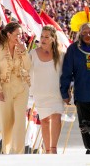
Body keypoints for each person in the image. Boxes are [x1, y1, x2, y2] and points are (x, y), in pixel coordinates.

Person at [60, 22, 90, 154]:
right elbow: (66, 72)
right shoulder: (73, 49)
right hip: (82, 93)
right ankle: (89, 148)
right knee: (85, 124)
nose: (87, 35)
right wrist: (65, 92)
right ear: (80, 34)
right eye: (84, 33)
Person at [0, 22, 31, 154]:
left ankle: (19, 152)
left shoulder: (22, 47)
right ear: (8, 34)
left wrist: (24, 51)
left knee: (20, 120)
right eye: (17, 34)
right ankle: (6, 151)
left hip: (21, 87)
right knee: (6, 121)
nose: (20, 36)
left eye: (21, 34)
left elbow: (28, 66)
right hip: (5, 87)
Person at [30, 25, 65, 154]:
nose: (43, 39)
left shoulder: (61, 55)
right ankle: (48, 150)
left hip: (56, 93)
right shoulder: (33, 53)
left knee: (56, 117)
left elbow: (66, 74)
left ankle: (54, 149)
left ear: (53, 38)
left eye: (46, 37)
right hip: (40, 93)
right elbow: (26, 69)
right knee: (44, 121)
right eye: (42, 37)